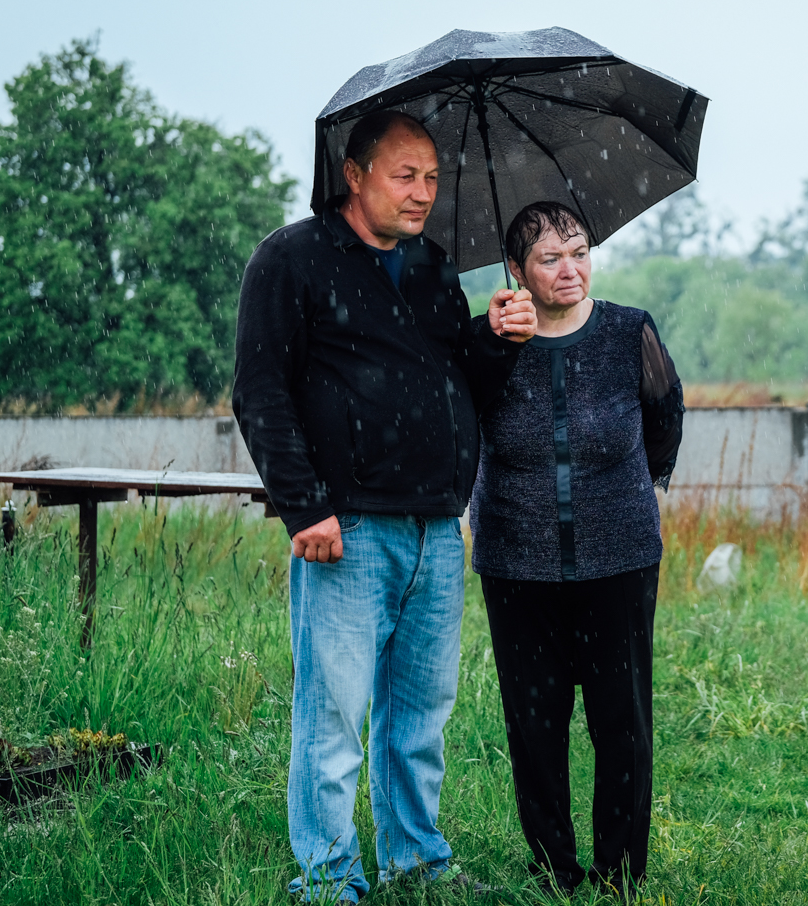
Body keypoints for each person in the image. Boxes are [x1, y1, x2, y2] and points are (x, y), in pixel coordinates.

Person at [232, 109, 535, 900]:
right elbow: (260, 391)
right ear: (354, 174)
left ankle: (416, 862)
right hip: (349, 525)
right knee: (333, 714)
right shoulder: (291, 259)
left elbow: (457, 379)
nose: (424, 192)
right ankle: (328, 878)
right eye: (405, 176)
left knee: (420, 715)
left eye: (432, 177)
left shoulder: (432, 268)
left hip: (438, 524)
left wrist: (498, 339)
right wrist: (305, 507)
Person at [468, 201, 685, 895]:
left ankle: (620, 874)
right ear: (515, 270)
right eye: (550, 258)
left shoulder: (629, 331)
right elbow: (460, 421)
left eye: (580, 252)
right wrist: (498, 342)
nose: (571, 269)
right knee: (535, 724)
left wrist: (622, 494)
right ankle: (554, 871)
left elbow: (664, 419)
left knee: (622, 722)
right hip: (516, 562)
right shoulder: (485, 340)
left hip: (619, 560)